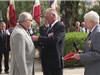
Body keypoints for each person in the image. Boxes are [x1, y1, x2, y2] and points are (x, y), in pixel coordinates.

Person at [32, 8, 65, 75]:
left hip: (54, 63)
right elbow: (46, 41)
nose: (46, 18)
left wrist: (38, 38)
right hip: (47, 62)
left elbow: (54, 40)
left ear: (54, 15)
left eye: (47, 17)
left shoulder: (60, 26)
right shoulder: (50, 27)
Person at [72, 11, 100, 75]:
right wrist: (82, 53)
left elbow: (98, 53)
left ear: (91, 21)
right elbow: (92, 49)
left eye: (85, 21)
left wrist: (81, 56)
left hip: (95, 70)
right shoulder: (93, 31)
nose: (84, 23)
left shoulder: (98, 33)